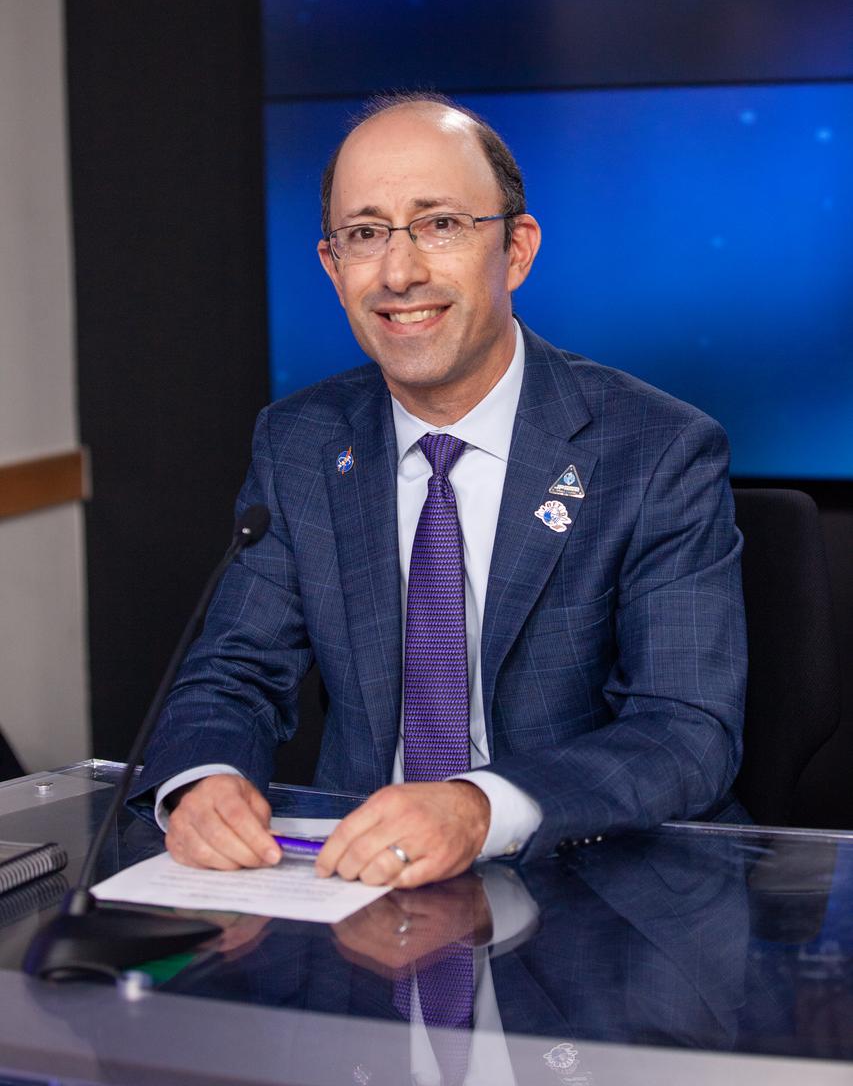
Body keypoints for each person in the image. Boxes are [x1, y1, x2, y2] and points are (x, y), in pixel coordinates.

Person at [132, 92, 748, 888]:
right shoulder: (301, 442)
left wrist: (476, 807)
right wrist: (202, 779)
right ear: (332, 266)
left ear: (516, 250)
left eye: (440, 224)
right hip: (354, 886)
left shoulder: (657, 449)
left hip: (592, 889)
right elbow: (234, 673)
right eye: (364, 235)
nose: (399, 272)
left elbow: (684, 729)